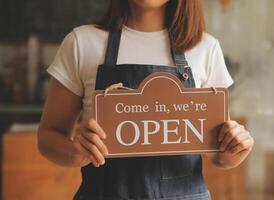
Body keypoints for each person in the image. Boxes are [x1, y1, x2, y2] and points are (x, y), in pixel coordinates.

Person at [37, 0, 254, 199]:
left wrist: (235, 150)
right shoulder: (81, 43)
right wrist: (75, 152)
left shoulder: (206, 48)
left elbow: (219, 154)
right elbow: (48, 136)